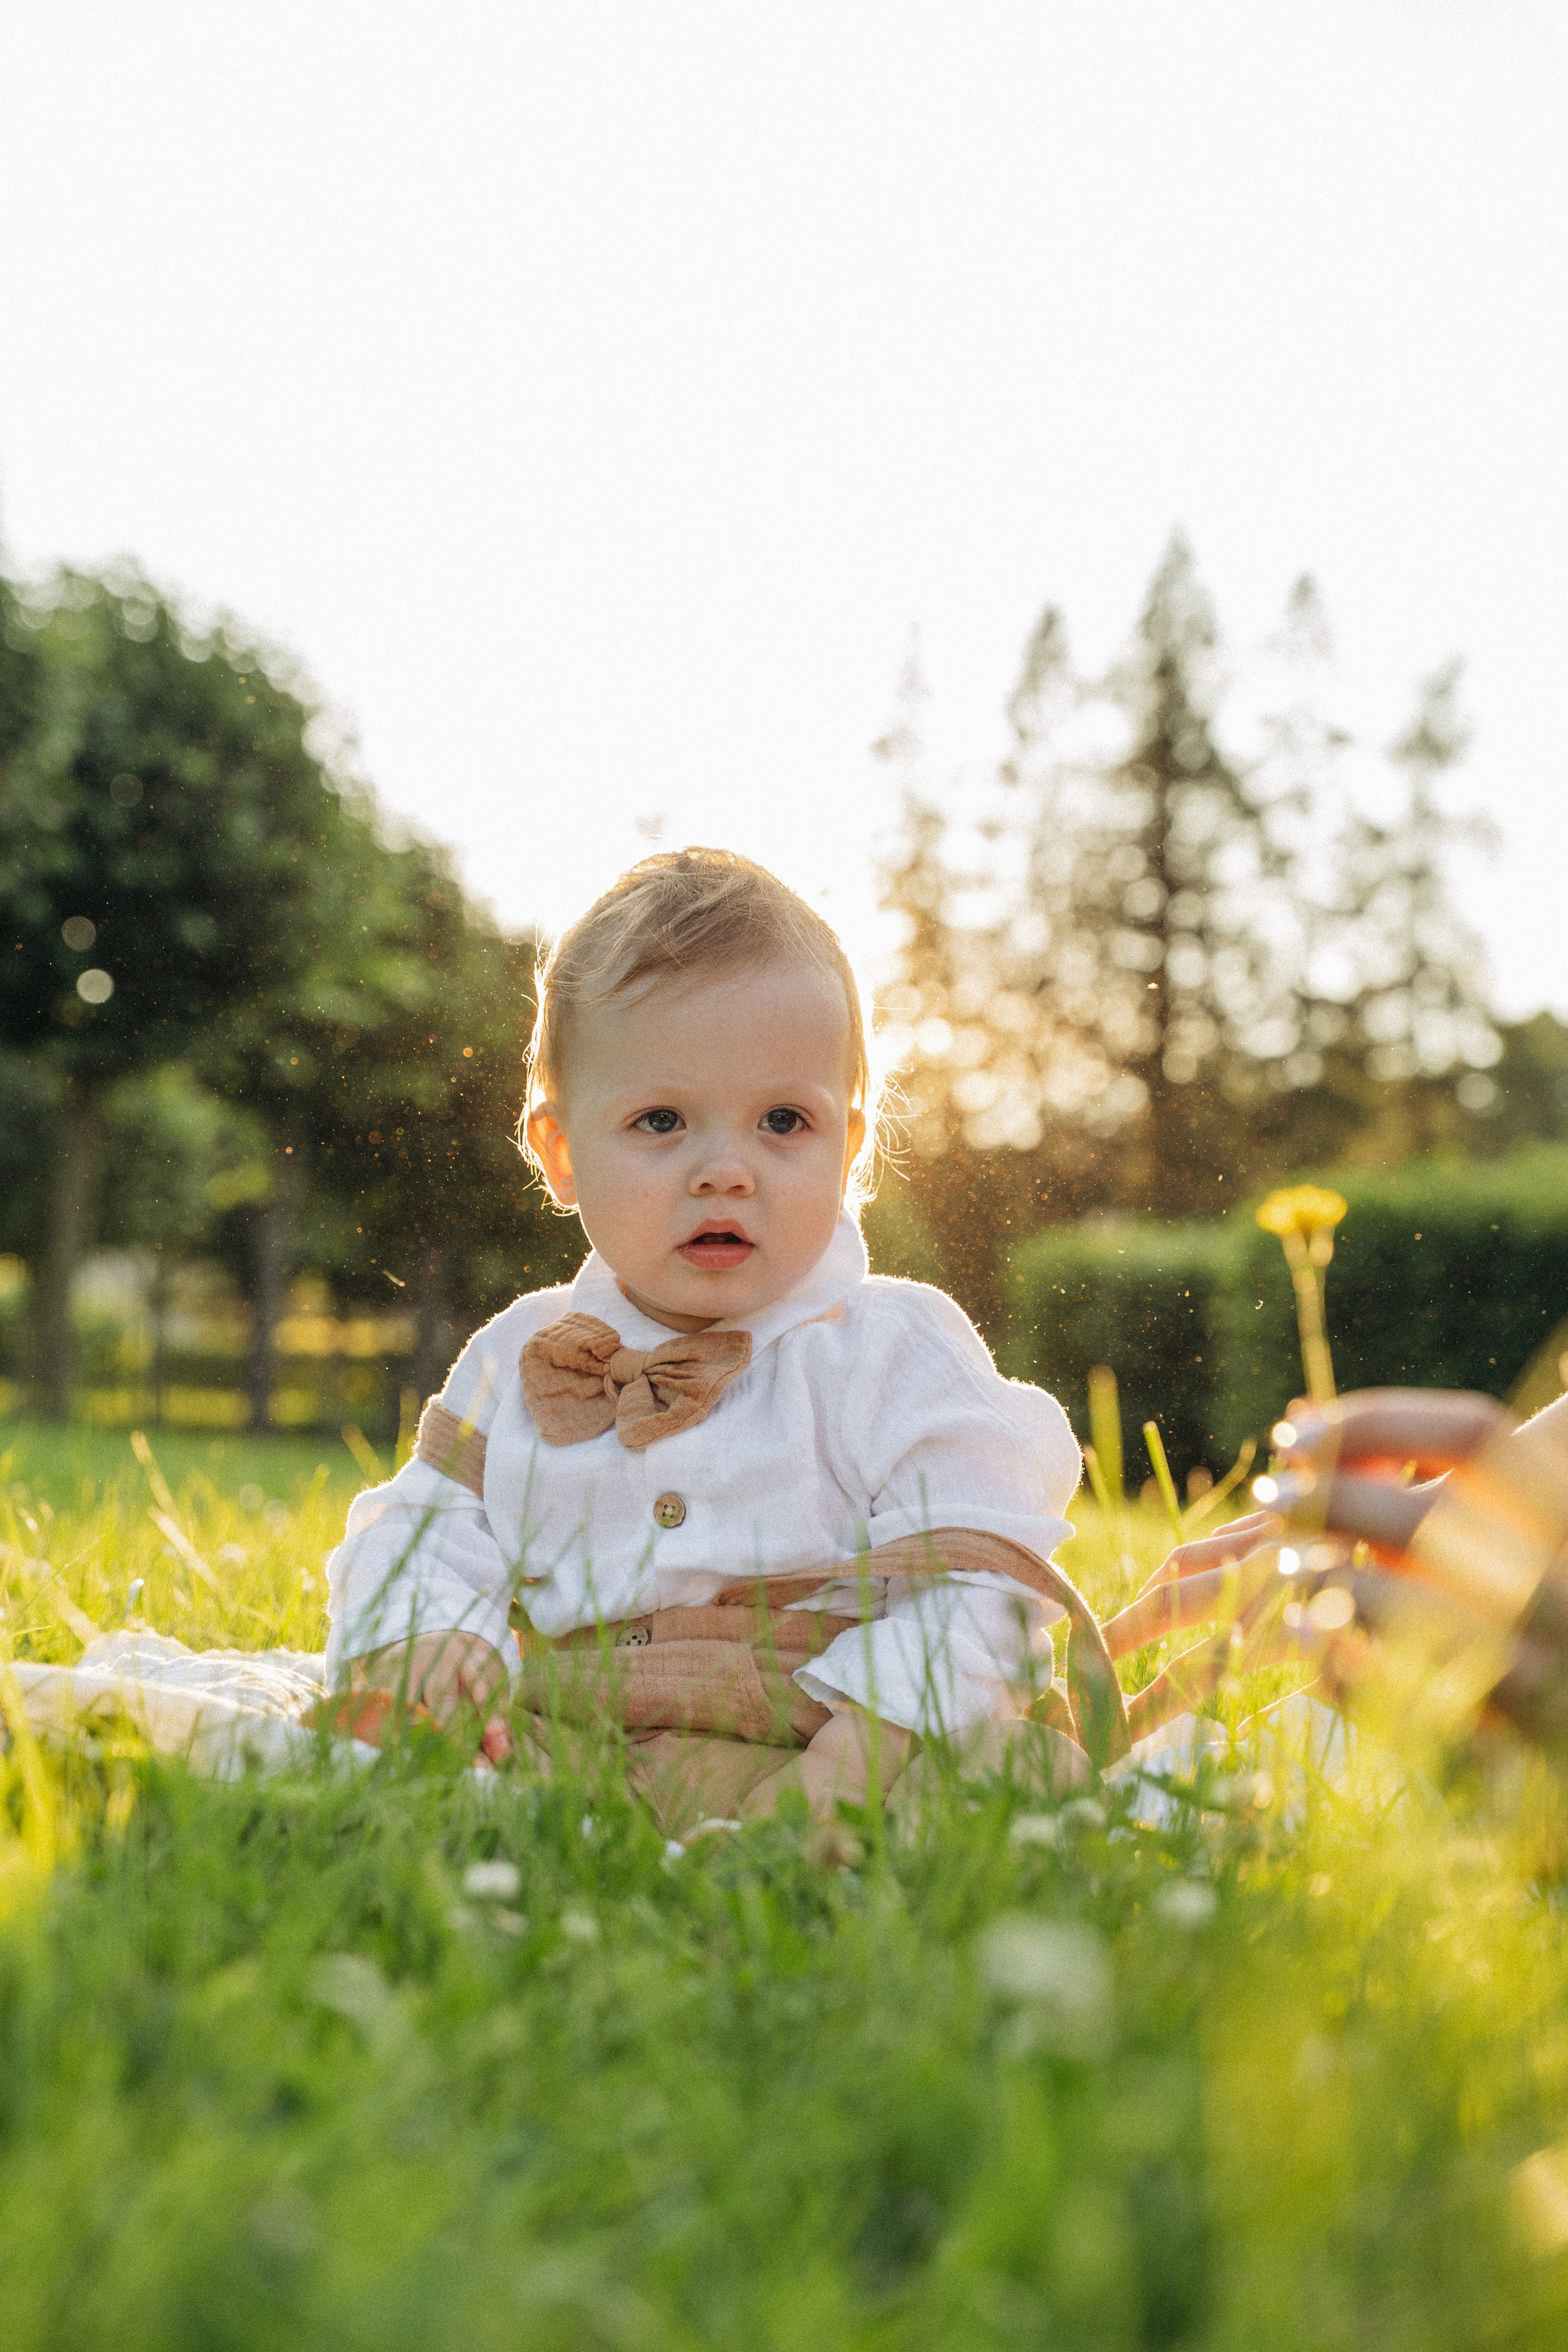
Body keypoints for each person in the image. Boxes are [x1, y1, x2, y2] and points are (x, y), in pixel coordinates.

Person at [324, 848, 1122, 1832]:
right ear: (562, 1153)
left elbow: (983, 1577)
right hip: (573, 1734)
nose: (726, 1170)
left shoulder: (889, 1349)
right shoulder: (521, 1354)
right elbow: (419, 1532)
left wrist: (864, 1746)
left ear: (850, 1148)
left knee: (1009, 1771)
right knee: (375, 1764)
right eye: (663, 1120)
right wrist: (428, 1634)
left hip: (833, 1729)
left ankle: (821, 1839)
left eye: (783, 1121)